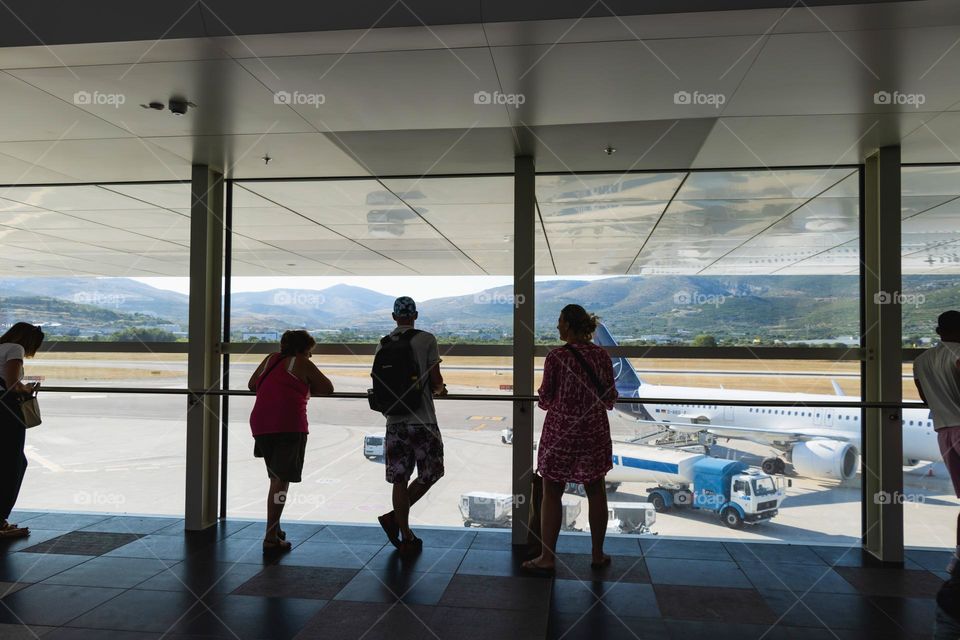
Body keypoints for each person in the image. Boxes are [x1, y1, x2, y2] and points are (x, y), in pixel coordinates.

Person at [523, 304, 618, 574]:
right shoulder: (601, 356)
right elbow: (610, 397)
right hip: (594, 431)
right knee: (596, 491)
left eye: (560, 321)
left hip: (560, 432)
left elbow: (544, 400)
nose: (557, 326)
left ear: (569, 325)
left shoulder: (556, 357)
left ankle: (547, 556)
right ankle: (597, 554)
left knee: (552, 492)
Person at [248, 329, 333, 552]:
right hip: (288, 424)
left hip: (261, 423)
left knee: (275, 478)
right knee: (280, 481)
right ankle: (270, 537)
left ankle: (275, 528)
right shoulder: (301, 363)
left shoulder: (270, 359)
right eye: (309, 351)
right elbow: (327, 388)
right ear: (302, 349)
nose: (310, 356)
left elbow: (252, 385)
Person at [375, 297, 447, 553]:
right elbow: (436, 380)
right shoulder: (426, 339)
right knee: (432, 472)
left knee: (399, 479)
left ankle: (405, 535)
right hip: (422, 420)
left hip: (394, 422)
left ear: (393, 317)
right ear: (415, 314)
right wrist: (440, 390)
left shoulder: (383, 344)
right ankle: (394, 519)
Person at [915, 310, 960, 574]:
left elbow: (926, 400)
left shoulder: (921, 361)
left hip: (945, 433)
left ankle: (957, 559)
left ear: (938, 332)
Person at [0, 322, 44, 539]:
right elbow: (11, 383)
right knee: (13, 462)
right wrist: (27, 388)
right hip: (6, 411)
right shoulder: (15, 349)